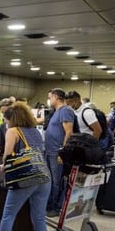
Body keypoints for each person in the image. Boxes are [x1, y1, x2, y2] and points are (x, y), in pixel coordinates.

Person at [0, 102, 51, 231]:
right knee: (39, 217)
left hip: (25, 178)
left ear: (12, 119)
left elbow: (7, 155)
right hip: (43, 176)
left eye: (6, 120)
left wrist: (3, 168)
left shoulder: (13, 131)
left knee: (8, 214)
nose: (6, 123)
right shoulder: (35, 131)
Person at [44, 88, 75, 217]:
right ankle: (49, 204)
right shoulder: (56, 112)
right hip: (50, 151)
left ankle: (55, 207)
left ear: (56, 97)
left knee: (57, 181)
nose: (49, 100)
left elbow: (69, 132)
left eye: (50, 97)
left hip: (57, 152)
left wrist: (63, 152)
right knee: (50, 181)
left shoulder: (65, 110)